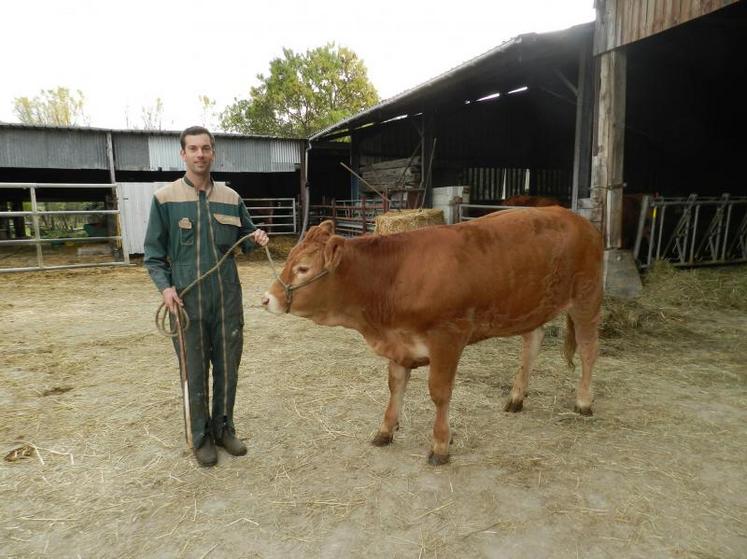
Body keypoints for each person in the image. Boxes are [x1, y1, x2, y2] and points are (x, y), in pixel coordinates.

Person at [144, 126, 269, 467]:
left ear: (213, 153)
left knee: (228, 368)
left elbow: (244, 238)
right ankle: (200, 437)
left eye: (206, 149)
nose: (200, 155)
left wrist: (255, 237)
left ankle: (224, 429)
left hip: (226, 299)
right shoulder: (165, 199)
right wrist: (166, 288)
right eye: (193, 149)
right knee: (194, 372)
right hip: (186, 301)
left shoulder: (231, 198)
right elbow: (153, 255)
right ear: (183, 154)